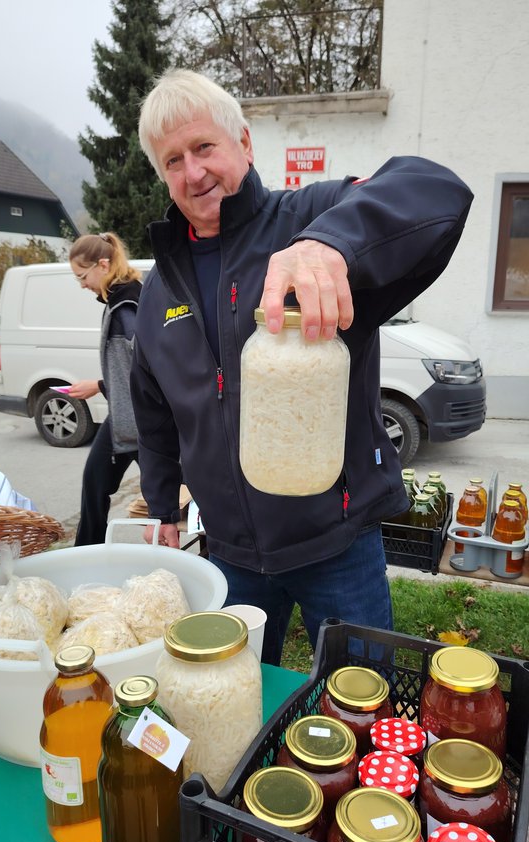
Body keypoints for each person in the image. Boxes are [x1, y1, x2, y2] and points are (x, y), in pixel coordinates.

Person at [131, 69, 474, 665]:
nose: (192, 173)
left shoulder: (309, 218)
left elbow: (435, 191)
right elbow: (155, 410)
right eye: (173, 160)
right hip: (230, 552)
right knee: (239, 702)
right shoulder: (162, 286)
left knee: (360, 703)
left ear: (244, 142)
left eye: (204, 147)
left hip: (335, 544)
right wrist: (162, 505)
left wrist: (333, 243)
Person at [68, 232, 142, 545]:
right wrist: (99, 385)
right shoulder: (124, 296)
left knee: (97, 485)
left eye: (82, 276)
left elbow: (140, 371)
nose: (82, 285)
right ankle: (86, 552)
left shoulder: (124, 306)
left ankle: (86, 553)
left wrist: (101, 386)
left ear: (102, 264)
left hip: (137, 420)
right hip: (130, 417)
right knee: (95, 483)